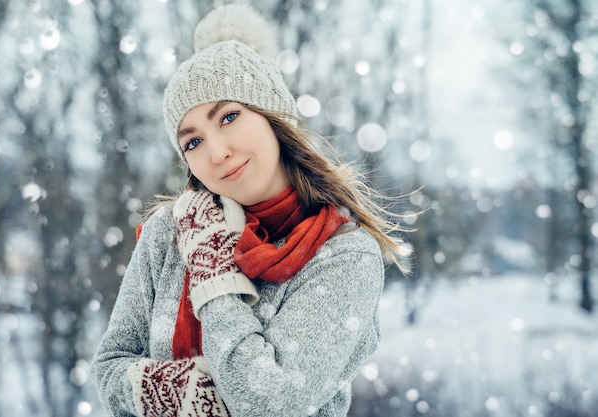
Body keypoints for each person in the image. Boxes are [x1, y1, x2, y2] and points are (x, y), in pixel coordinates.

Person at [90, 4, 409, 417]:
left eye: (229, 116)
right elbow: (109, 370)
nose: (218, 153)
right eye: (193, 142)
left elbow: (269, 402)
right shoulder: (169, 234)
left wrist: (214, 279)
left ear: (273, 115)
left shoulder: (345, 256)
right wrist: (222, 390)